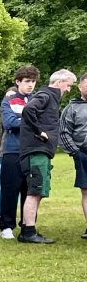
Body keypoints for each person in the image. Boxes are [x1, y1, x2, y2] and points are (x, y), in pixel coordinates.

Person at [18, 68, 79, 244]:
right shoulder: (45, 96)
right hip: (36, 151)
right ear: (60, 82)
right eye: (68, 85)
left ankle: (28, 229)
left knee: (38, 190)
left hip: (40, 152)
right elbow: (28, 110)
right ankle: (28, 232)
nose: (68, 89)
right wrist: (40, 131)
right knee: (35, 190)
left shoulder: (49, 97)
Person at [0, 66, 37, 239]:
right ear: (18, 82)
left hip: (33, 150)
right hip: (12, 151)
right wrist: (31, 123)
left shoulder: (36, 100)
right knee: (10, 190)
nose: (31, 85)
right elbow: (9, 122)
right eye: (27, 81)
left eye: (33, 81)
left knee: (31, 190)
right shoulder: (9, 100)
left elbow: (45, 121)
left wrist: (24, 121)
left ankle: (28, 225)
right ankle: (7, 226)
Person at [58, 75, 87, 239]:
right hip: (82, 153)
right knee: (86, 191)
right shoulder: (71, 108)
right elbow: (64, 133)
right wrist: (75, 152)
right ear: (80, 87)